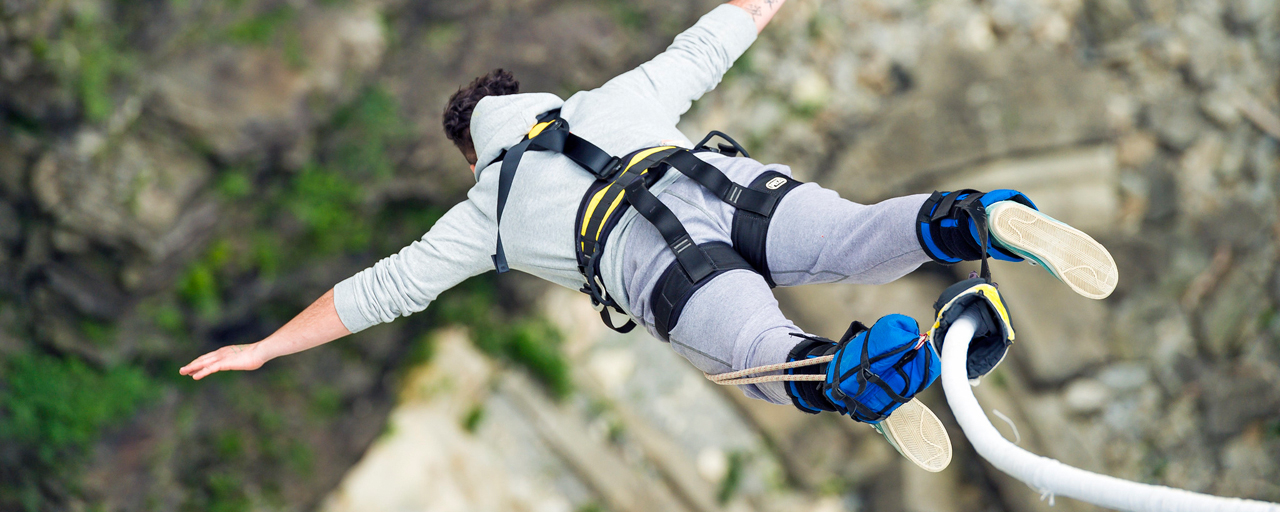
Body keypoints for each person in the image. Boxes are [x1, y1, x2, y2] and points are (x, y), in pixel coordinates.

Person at [180, 0, 1118, 472]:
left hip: (667, 268)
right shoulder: (614, 98)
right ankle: (973, 219)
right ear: (526, 98)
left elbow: (375, 292)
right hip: (738, 191)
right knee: (860, 237)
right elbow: (724, 29)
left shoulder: (484, 215)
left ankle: (860, 377)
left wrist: (265, 347)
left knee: (768, 352)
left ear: (474, 150)